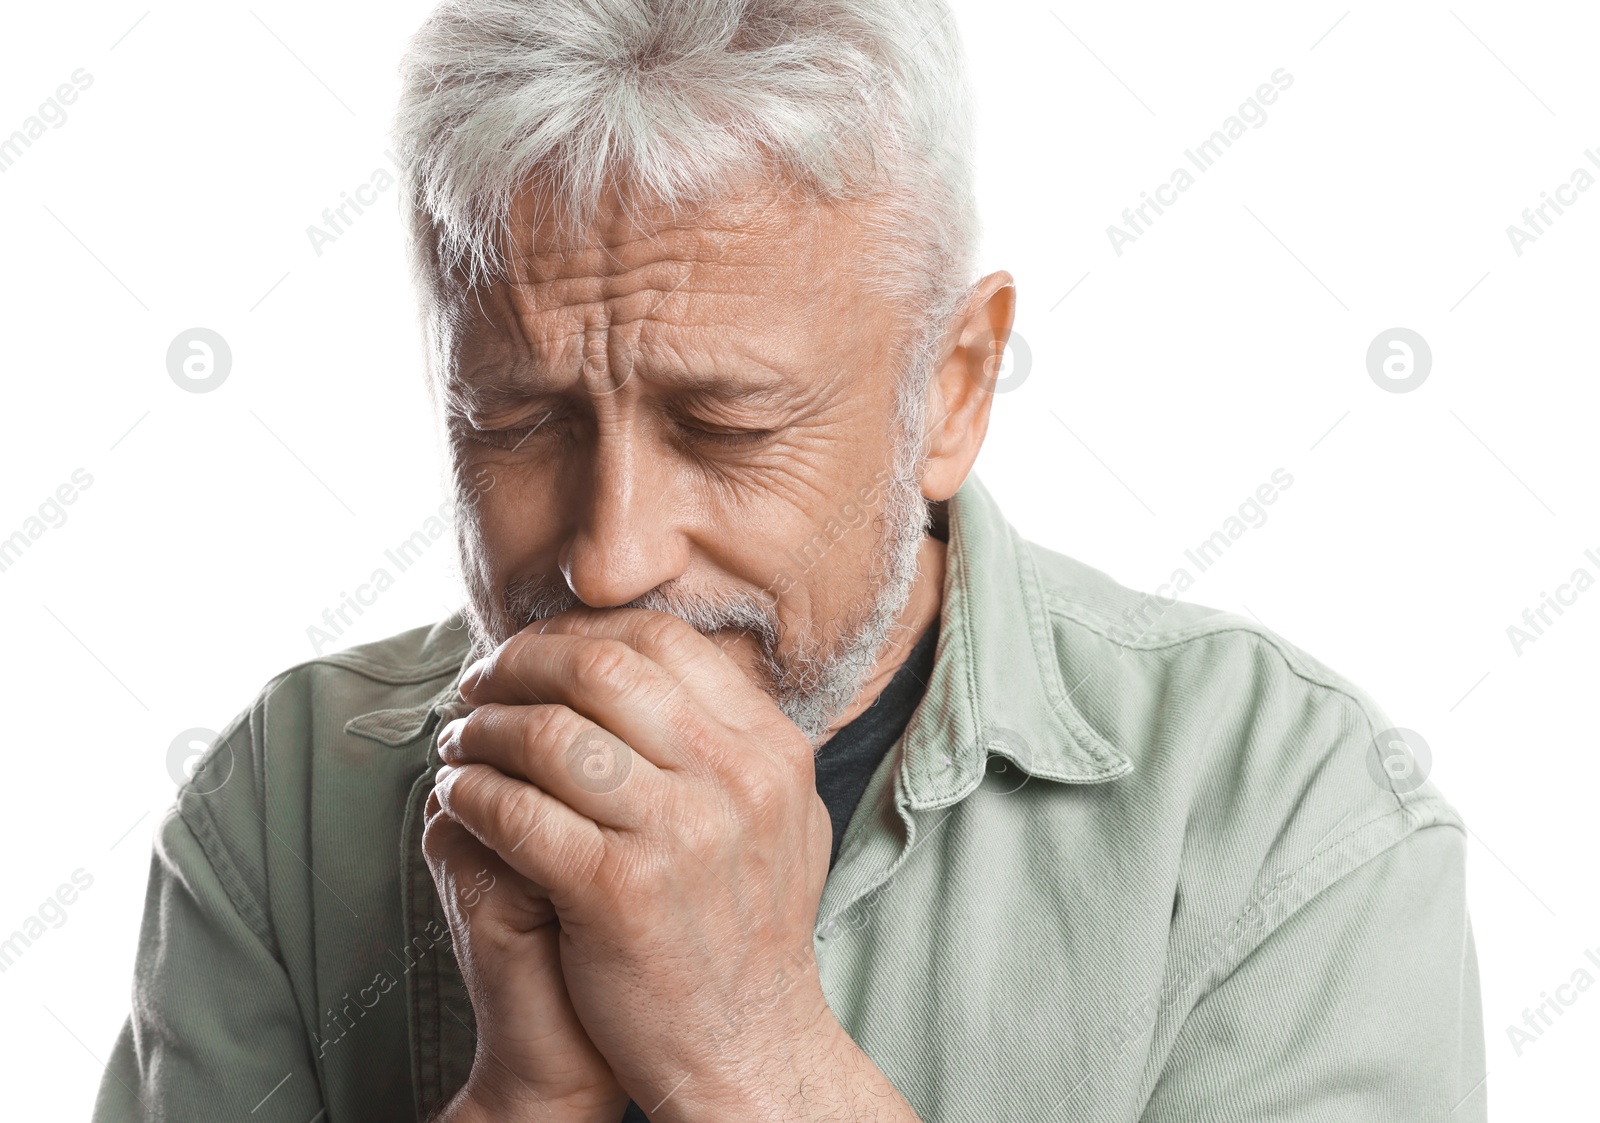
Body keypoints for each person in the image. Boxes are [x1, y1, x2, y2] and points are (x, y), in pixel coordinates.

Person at [95, 2, 1485, 1120]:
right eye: (519, 421)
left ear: (951, 387)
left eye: (725, 424)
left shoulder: (1292, 820)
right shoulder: (275, 813)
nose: (612, 557)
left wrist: (748, 1055)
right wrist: (528, 1100)